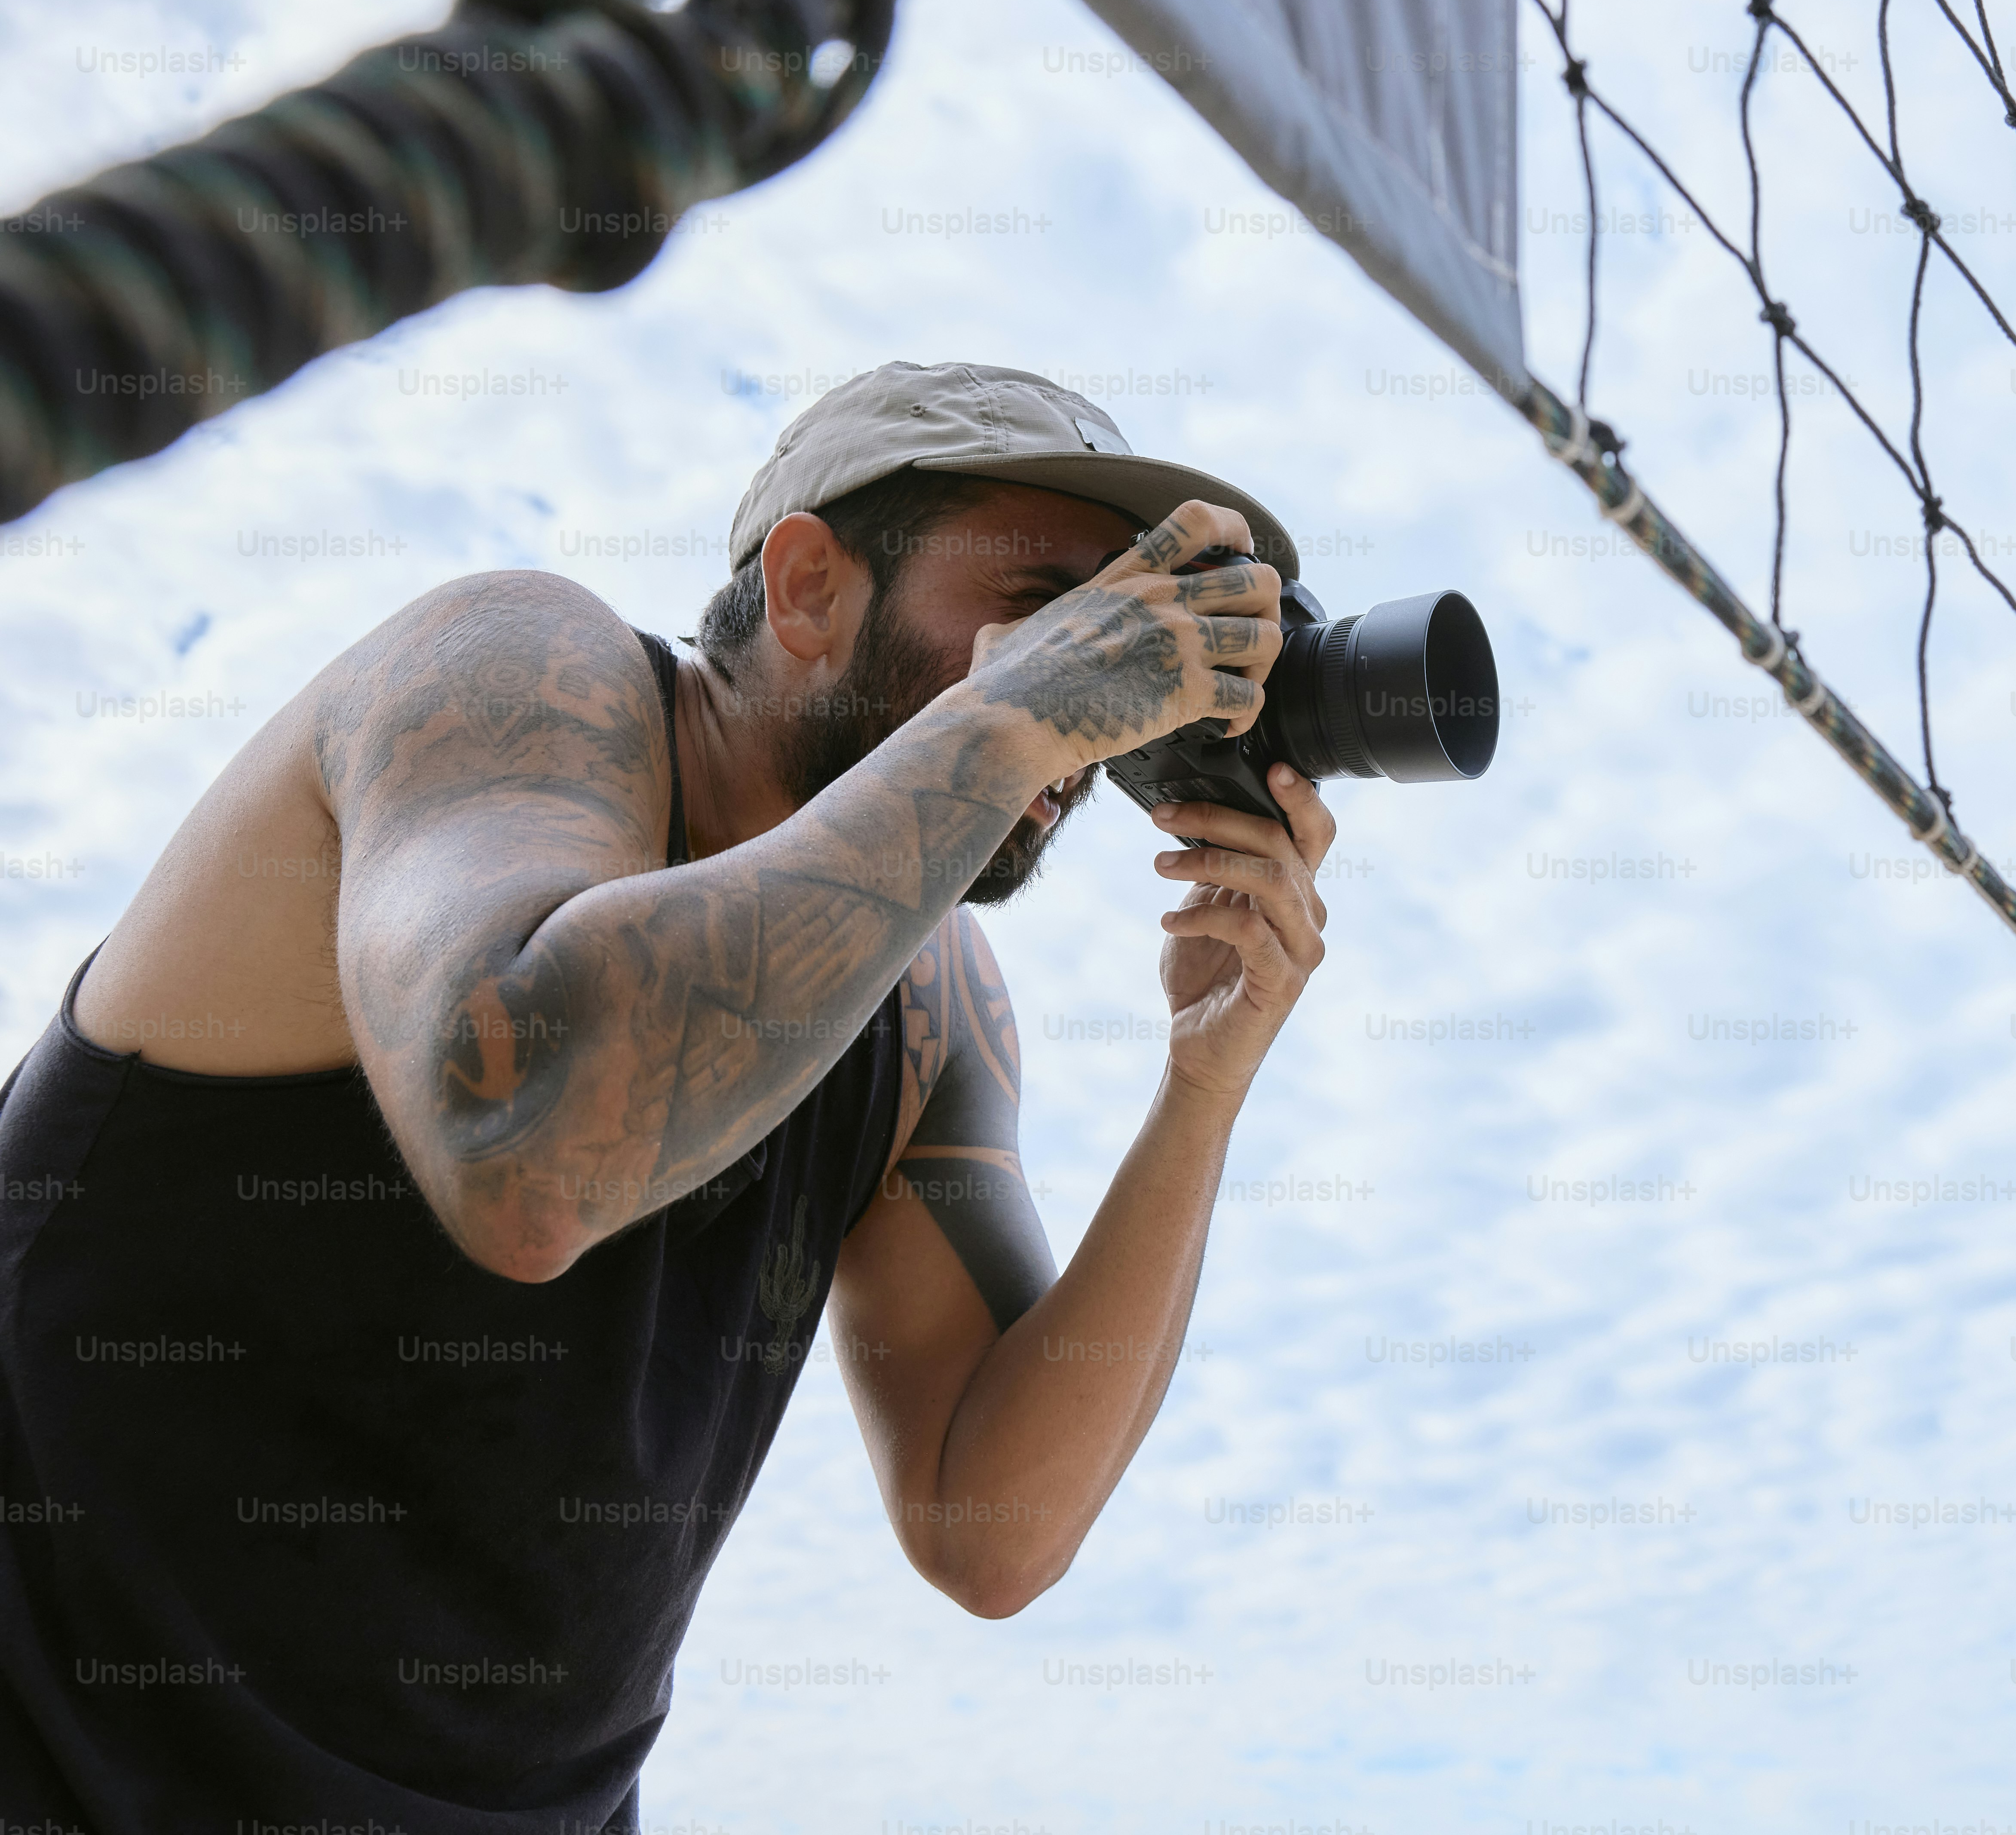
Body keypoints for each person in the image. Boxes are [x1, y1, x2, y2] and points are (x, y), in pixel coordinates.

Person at [0, 362, 1335, 1830]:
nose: (1099, 691)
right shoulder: (515, 669)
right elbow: (525, 1152)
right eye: (1041, 603)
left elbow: (994, 1525)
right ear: (808, 584)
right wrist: (1017, 718)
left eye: (1116, 625)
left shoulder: (929, 1003)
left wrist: (1205, 1081)